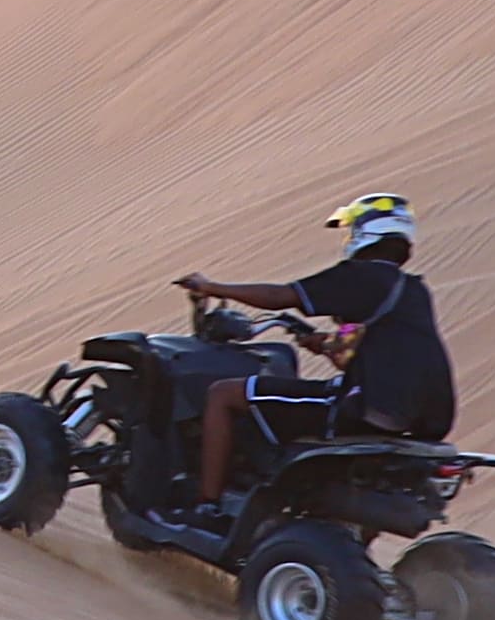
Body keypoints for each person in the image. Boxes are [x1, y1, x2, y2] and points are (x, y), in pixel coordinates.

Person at [173, 192, 457, 513]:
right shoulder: (412, 290)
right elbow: (361, 348)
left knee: (223, 394)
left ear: (367, 232)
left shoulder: (361, 275)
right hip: (426, 414)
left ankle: (206, 504)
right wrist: (322, 344)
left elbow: (281, 296)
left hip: (368, 407)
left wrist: (212, 288)